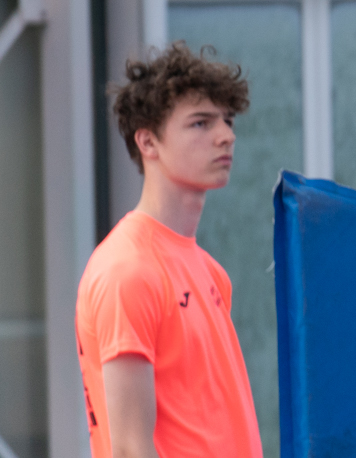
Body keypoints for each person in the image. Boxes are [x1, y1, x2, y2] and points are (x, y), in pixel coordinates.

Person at [78, 43, 263, 458]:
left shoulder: (211, 272)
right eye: (201, 123)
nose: (226, 136)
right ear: (148, 142)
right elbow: (130, 449)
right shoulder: (127, 270)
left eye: (228, 120)